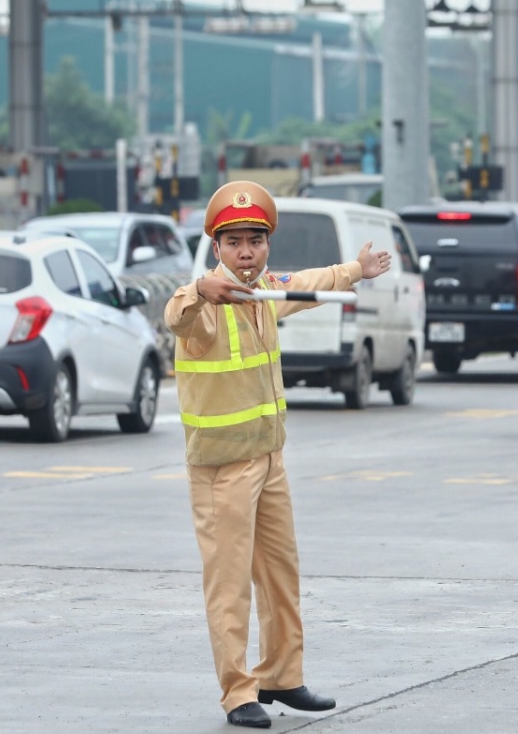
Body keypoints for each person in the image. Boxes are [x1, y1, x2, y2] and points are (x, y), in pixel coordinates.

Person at [164, 180, 391, 729]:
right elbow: (174, 315)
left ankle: (282, 676)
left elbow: (308, 282)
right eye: (235, 241)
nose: (246, 251)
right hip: (222, 468)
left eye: (256, 240)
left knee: (281, 575)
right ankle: (238, 692)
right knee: (229, 583)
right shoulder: (204, 306)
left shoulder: (264, 292)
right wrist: (200, 290)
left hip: (269, 461)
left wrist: (355, 270)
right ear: (216, 246)